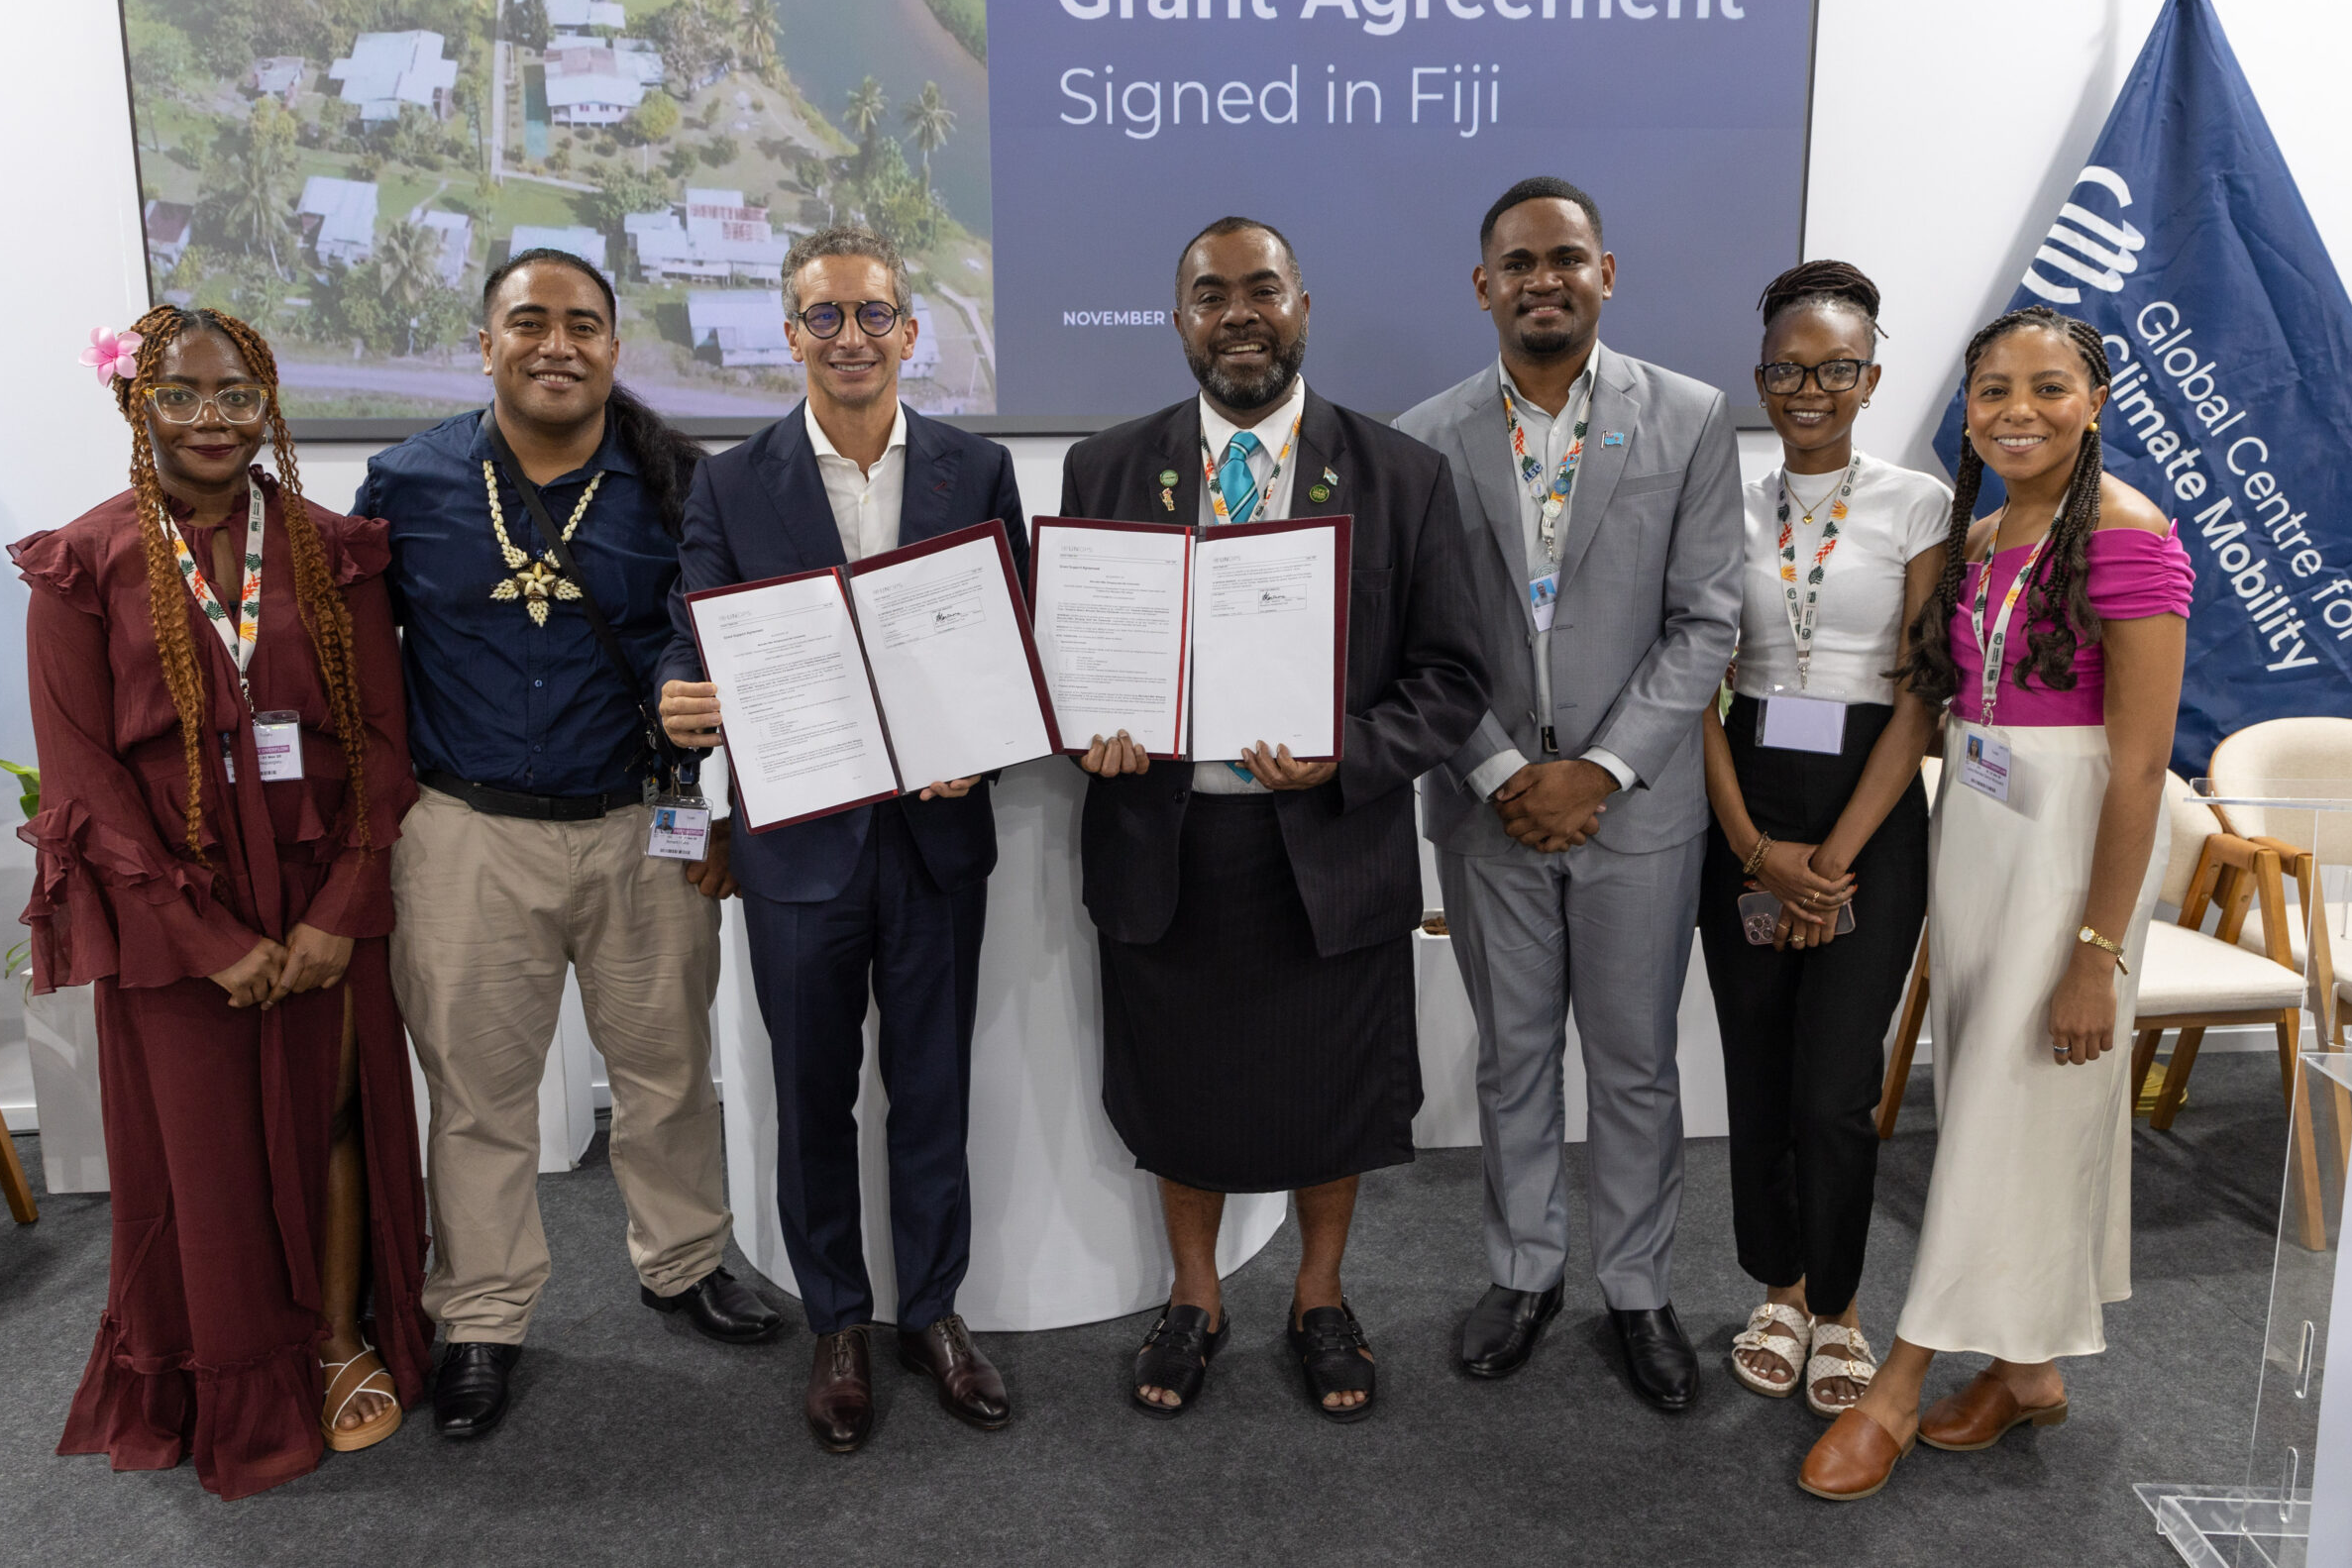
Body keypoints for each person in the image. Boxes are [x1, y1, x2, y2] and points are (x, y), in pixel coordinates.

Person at [1064, 216, 1485, 1421]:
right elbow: (1075, 659)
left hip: (1328, 844)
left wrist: (1345, 755)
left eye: (1262, 291)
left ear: (1304, 306)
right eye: (1210, 294)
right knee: (1179, 1088)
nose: (1237, 313)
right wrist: (1089, 727)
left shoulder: (1400, 476)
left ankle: (1319, 1296)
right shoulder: (1106, 469)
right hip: (1168, 842)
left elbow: (1452, 681)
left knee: (1331, 1090)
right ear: (1179, 318)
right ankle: (1193, 1297)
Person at [353, 249, 774, 1444]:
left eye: (582, 325)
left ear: (614, 349)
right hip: (466, 835)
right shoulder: (410, 482)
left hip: (642, 826)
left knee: (666, 1076)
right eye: (527, 323)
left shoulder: (677, 485)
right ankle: (481, 1314)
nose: (556, 345)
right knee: (477, 1096)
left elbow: (702, 644)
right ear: (483, 343)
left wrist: (699, 731)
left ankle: (684, 1263)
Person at [18, 306, 429, 1497]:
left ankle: (340, 1337)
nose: (212, 419)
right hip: (175, 914)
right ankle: (232, 1368)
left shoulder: (334, 550)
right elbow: (83, 776)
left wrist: (335, 907)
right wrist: (201, 938)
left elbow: (381, 745)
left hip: (315, 897)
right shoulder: (80, 566)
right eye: (183, 396)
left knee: (337, 1114)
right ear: (136, 406)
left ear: (270, 404)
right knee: (200, 1151)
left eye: (236, 395)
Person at [1797, 306, 2191, 1500]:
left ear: (2097, 401)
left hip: (2070, 846)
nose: (2017, 409)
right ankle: (2026, 1371)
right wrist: (1840, 849)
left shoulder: (2130, 535)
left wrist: (2096, 953)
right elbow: (1933, 708)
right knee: (1994, 1095)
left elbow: (2134, 766)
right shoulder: (1974, 539)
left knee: (2003, 1109)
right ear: (1963, 410)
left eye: (2049, 387)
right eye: (1991, 391)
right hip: (1974, 827)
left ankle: (1900, 1385)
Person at [658, 226, 1026, 1454]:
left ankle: (932, 1314)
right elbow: (690, 634)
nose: (851, 338)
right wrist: (677, 692)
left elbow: (1011, 640)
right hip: (799, 844)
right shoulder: (728, 482)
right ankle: (836, 1324)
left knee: (930, 1091)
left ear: (910, 333)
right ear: (791, 332)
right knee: (813, 1097)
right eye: (826, 317)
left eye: (874, 315)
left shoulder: (974, 470)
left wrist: (985, 730)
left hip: (933, 838)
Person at [1396, 177, 1741, 1411]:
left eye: (1566, 257)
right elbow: (1414, 637)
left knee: (1638, 1063)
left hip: (1636, 808)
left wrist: (1596, 770)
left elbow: (1708, 619)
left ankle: (1638, 1288)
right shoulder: (1422, 436)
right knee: (1514, 1057)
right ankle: (1525, 1270)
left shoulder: (1691, 417)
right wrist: (1497, 769)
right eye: (1518, 262)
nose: (1544, 278)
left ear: (1607, 272)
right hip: (1486, 805)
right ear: (1482, 284)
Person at [1695, 261, 1949, 1417]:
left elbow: (1919, 694)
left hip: (1870, 809)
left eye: (1835, 369)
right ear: (1759, 380)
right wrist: (1753, 850)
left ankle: (1844, 1305)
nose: (1810, 389)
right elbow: (1695, 691)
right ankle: (1781, 1289)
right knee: (1756, 1067)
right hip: (1744, 794)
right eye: (1789, 370)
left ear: (1870, 378)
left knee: (1836, 1084)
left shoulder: (1915, 505)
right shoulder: (1721, 504)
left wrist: (1833, 857)